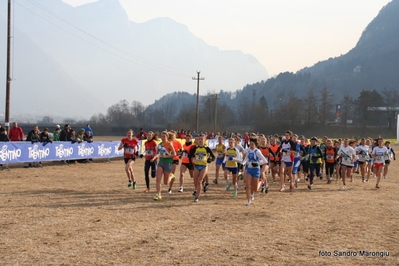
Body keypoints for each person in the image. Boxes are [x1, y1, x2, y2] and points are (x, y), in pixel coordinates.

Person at [189, 134, 215, 202]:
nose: (200, 140)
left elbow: (213, 157)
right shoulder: (195, 148)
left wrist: (210, 159)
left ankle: (197, 197)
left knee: (199, 181)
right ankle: (197, 189)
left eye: (202, 139)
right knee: (195, 182)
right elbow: (190, 155)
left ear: (205, 140)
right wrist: (192, 159)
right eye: (199, 139)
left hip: (204, 166)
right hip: (196, 166)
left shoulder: (207, 148)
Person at [242, 137, 268, 206]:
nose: (251, 146)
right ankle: (248, 201)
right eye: (250, 144)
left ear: (255, 145)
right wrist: (243, 164)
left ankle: (261, 181)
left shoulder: (257, 151)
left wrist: (257, 163)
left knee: (255, 188)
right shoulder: (248, 151)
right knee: (248, 185)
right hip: (249, 170)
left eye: (252, 144)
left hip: (256, 170)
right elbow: (246, 159)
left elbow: (265, 161)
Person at [153, 131, 176, 201]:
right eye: (162, 136)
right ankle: (158, 194)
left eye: (164, 136)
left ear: (167, 137)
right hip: (161, 162)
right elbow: (157, 153)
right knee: (158, 180)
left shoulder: (169, 144)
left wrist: (166, 156)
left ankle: (171, 176)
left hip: (168, 163)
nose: (162, 138)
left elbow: (174, 154)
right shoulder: (159, 144)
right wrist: (153, 158)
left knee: (166, 182)